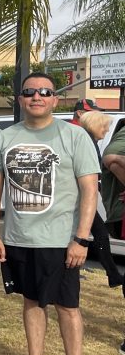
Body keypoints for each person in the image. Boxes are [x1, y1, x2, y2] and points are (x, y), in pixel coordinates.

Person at [0, 72, 100, 355]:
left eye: (44, 92)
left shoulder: (74, 137)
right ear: (20, 99)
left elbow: (89, 189)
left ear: (54, 99)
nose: (36, 97)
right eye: (30, 92)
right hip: (21, 238)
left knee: (67, 306)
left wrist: (81, 238)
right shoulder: (6, 138)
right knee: (32, 301)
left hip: (61, 240)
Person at [78, 111, 123, 293]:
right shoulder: (86, 142)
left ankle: (113, 275)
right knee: (99, 234)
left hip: (80, 195)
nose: (106, 131)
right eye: (104, 126)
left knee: (99, 234)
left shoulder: (89, 141)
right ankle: (112, 274)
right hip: (78, 197)